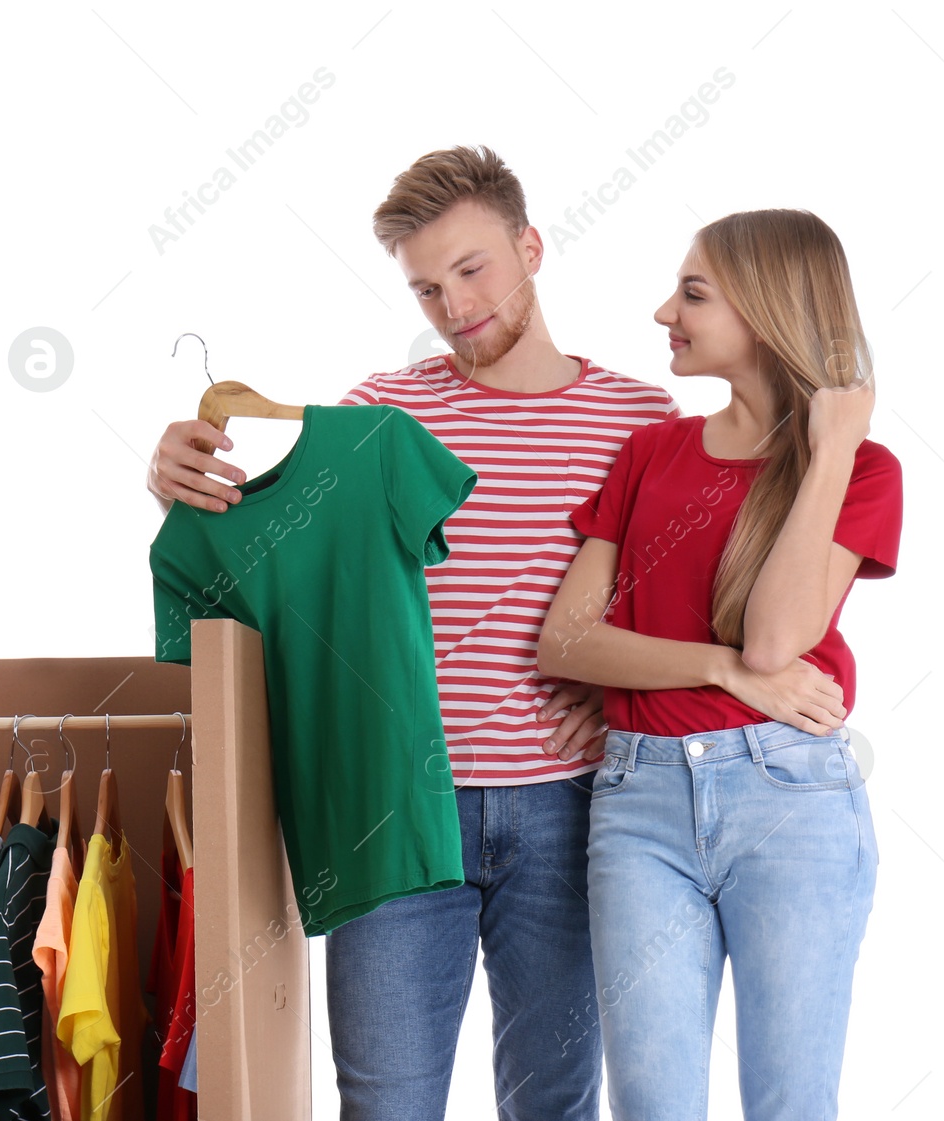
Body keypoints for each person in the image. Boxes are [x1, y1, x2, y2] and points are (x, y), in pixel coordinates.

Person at [148, 145, 677, 1120]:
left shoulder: (637, 420)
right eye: (426, 287)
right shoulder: (382, 412)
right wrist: (179, 472)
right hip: (389, 808)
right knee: (385, 1101)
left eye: (471, 268)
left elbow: (674, 608)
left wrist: (613, 697)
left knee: (553, 1096)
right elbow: (276, 533)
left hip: (570, 809)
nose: (454, 304)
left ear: (530, 247)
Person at [538, 209, 901, 1120]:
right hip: (638, 804)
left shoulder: (863, 472)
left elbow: (779, 642)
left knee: (790, 1106)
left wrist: (829, 450)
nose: (666, 310)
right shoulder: (650, 451)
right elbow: (567, 642)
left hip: (790, 800)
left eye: (693, 293)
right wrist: (721, 669)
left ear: (768, 309)